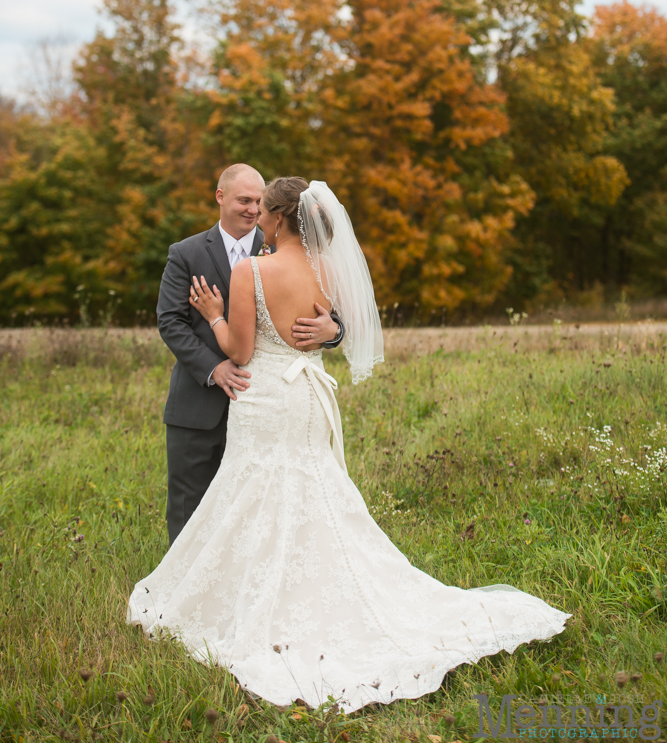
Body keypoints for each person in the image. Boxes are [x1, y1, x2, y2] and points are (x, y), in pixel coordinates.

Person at [130, 177, 570, 713]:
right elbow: (335, 324)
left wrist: (215, 315)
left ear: (276, 215)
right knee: (313, 489)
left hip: (266, 397)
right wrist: (330, 334)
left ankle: (252, 605)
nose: (257, 214)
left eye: (262, 208)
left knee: (255, 489)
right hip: (309, 396)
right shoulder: (329, 268)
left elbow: (241, 350)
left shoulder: (251, 270)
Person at [156, 164, 344, 545]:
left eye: (259, 202)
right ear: (220, 197)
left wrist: (334, 331)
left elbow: (331, 316)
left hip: (267, 407)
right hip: (199, 403)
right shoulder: (187, 253)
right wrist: (214, 368)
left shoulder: (287, 244)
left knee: (259, 512)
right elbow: (170, 320)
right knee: (190, 505)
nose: (253, 210)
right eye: (244, 200)